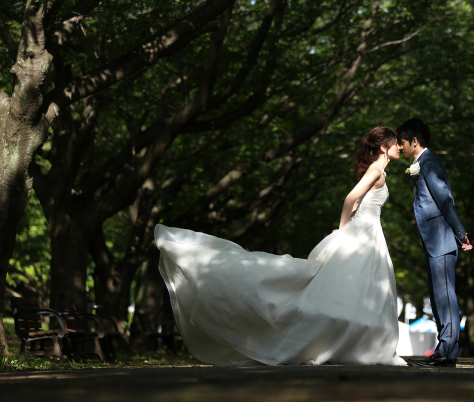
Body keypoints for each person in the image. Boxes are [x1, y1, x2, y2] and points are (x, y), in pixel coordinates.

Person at [155, 126, 407, 366]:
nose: (400, 148)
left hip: (368, 233)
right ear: (384, 147)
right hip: (362, 233)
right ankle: (344, 342)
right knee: (340, 287)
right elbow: (350, 198)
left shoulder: (379, 172)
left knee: (361, 288)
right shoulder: (376, 170)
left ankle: (358, 343)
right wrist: (343, 230)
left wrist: (350, 222)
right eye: (396, 143)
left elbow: (357, 204)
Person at [396, 118, 472, 368]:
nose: (401, 147)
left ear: (414, 141)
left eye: (403, 142)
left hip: (441, 240)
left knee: (445, 296)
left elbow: (445, 201)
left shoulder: (429, 163)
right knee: (438, 296)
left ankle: (448, 353)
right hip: (433, 241)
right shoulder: (424, 163)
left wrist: (461, 234)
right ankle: (443, 349)